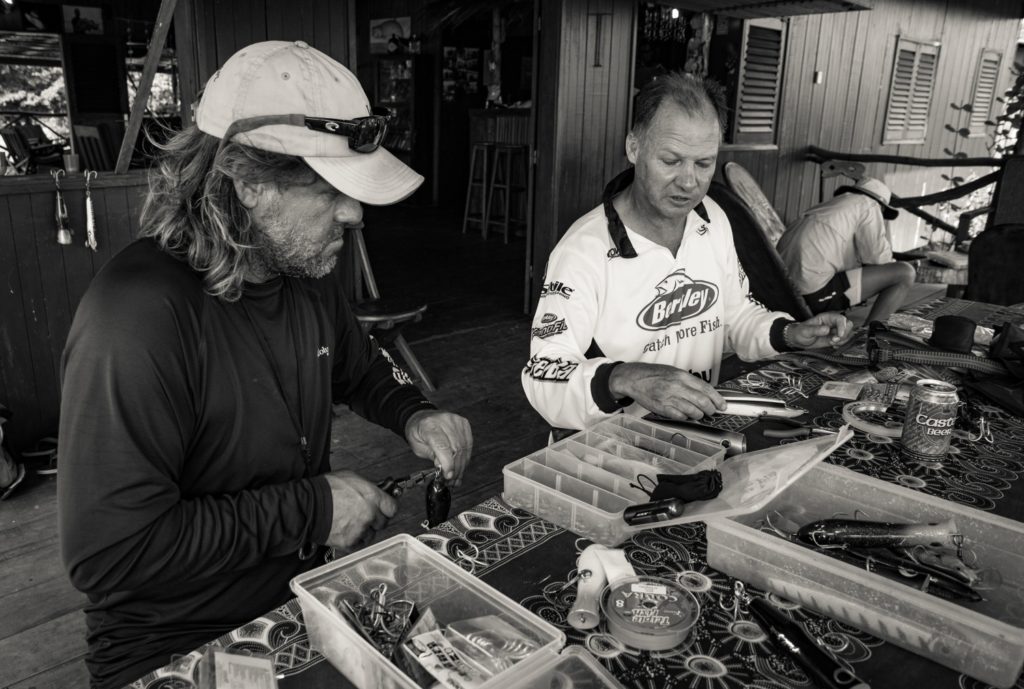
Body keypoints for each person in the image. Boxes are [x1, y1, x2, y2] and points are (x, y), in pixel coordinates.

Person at [58, 41, 473, 689]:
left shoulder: (302, 271)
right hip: (175, 642)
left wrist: (412, 411)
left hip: (297, 598)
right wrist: (311, 510)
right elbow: (111, 555)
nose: (355, 213)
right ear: (248, 182)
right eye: (331, 190)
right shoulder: (138, 314)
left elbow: (361, 366)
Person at [521, 72, 850, 431]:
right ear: (634, 148)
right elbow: (544, 373)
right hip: (605, 458)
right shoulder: (584, 250)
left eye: (704, 163)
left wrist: (790, 334)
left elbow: (733, 315)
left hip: (695, 440)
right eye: (672, 161)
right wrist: (624, 378)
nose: (689, 181)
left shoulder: (714, 219)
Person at [776, 176, 916, 324]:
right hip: (809, 296)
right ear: (881, 206)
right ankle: (869, 335)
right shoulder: (869, 205)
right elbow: (880, 259)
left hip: (782, 292)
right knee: (905, 273)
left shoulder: (829, 207)